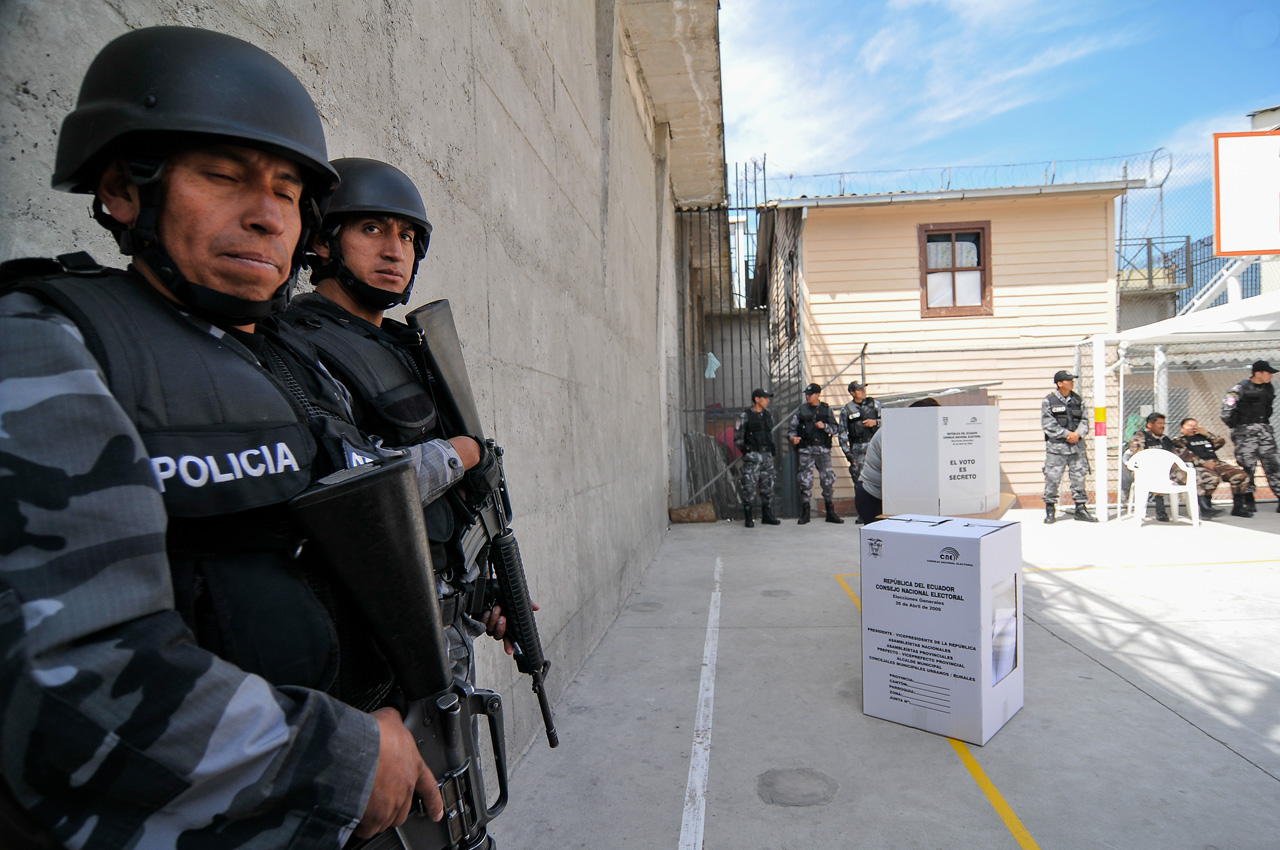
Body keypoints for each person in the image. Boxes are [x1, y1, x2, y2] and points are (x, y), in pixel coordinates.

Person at [0, 27, 456, 847]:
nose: (265, 215)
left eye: (287, 193)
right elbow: (74, 686)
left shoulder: (285, 360)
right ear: (124, 191)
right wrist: (350, 756)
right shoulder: (53, 345)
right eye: (222, 177)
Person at [283, 157, 504, 684]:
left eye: (408, 237)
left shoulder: (405, 347)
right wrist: (464, 452)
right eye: (372, 229)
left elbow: (448, 512)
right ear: (320, 242)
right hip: (377, 646)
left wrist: (487, 595)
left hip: (444, 630)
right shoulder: (299, 344)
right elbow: (351, 492)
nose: (394, 250)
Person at [1221, 360, 1280, 514]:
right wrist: (1239, 428)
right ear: (1258, 373)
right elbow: (1226, 412)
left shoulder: (1268, 388)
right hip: (1245, 433)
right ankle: (1247, 500)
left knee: (1273, 464)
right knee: (1248, 466)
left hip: (1264, 431)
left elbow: (1268, 408)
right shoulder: (1238, 389)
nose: (1271, 376)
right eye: (1268, 373)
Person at [1041, 370, 1097, 523]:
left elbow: (1085, 420)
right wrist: (1067, 434)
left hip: (1076, 447)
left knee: (1079, 477)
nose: (1072, 382)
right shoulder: (1049, 401)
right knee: (1052, 478)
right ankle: (1050, 510)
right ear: (1060, 383)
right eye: (1068, 380)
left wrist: (1078, 434)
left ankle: (1080, 508)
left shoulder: (1078, 400)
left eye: (1072, 380)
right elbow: (1048, 424)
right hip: (1057, 448)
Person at [788, 382, 844, 524]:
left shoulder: (826, 410)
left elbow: (836, 429)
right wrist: (792, 438)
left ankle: (830, 511)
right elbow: (792, 429)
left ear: (818, 394)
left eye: (810, 394)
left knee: (828, 480)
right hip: (806, 450)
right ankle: (805, 512)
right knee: (805, 481)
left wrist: (824, 426)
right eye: (806, 394)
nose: (807, 396)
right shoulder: (801, 410)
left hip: (823, 450)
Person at [1171, 418, 1249, 518]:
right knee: (1212, 478)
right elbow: (1186, 456)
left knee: (1240, 475)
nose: (1193, 428)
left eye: (1195, 425)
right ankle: (1206, 507)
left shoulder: (1204, 437)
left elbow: (1220, 442)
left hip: (1216, 463)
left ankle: (1239, 507)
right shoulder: (1179, 440)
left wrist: (1207, 433)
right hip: (1198, 466)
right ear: (1182, 428)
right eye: (1190, 426)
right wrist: (1204, 463)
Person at [733, 388, 782, 527]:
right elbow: (737, 437)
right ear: (757, 399)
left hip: (767, 456)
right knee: (749, 486)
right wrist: (747, 451)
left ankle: (767, 515)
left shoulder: (768, 416)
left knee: (768, 486)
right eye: (765, 398)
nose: (768, 400)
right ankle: (749, 517)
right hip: (753, 456)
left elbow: (769, 434)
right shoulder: (745, 415)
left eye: (768, 398)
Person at [839, 381, 882, 523]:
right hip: (857, 448)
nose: (863, 391)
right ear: (852, 393)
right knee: (858, 480)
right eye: (859, 389)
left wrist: (875, 423)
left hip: (874, 446)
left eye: (863, 388)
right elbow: (842, 433)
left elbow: (888, 420)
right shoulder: (847, 410)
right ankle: (861, 513)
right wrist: (848, 454)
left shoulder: (875, 404)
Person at [1127, 412, 1178, 522]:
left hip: (1167, 471)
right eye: (1159, 423)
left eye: (1163, 423)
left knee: (1189, 476)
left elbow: (1174, 456)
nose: (1162, 426)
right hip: (1145, 471)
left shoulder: (1165, 440)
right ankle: (1160, 510)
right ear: (1150, 425)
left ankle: (1201, 506)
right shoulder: (1140, 437)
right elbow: (1138, 456)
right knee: (1156, 474)